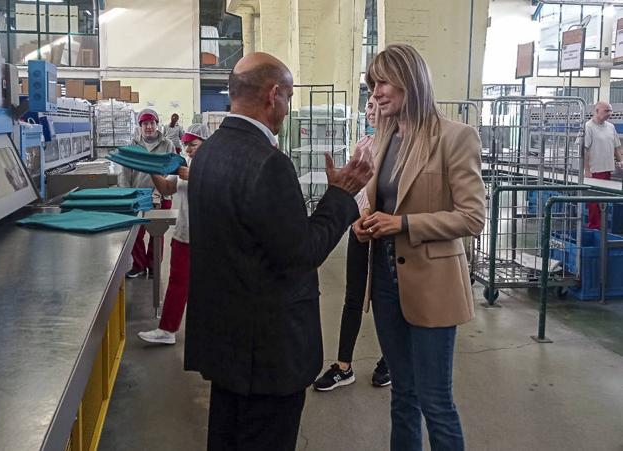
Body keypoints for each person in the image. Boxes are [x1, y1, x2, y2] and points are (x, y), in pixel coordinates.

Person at [185, 52, 373, 451]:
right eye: (288, 97)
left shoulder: (209, 152)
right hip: (266, 352)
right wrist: (341, 196)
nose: (287, 108)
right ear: (274, 95)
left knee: (227, 435)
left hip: (226, 342)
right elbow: (302, 252)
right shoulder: (268, 163)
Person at [357, 44, 485, 450]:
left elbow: (472, 217)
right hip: (384, 282)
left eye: (383, 81)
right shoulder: (382, 137)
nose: (375, 92)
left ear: (411, 80)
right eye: (371, 84)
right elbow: (374, 198)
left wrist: (404, 224)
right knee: (403, 396)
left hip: (433, 285)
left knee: (435, 401)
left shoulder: (456, 137)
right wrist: (363, 221)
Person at [313, 96, 390, 391]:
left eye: (378, 104)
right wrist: (354, 219)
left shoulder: (403, 148)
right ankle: (344, 366)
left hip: (389, 233)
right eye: (369, 105)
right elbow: (356, 190)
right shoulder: (363, 145)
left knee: (386, 299)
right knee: (353, 297)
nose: (371, 110)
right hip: (360, 228)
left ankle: (390, 358)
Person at [137, 124, 211, 345]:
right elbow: (167, 189)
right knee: (177, 282)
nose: (188, 149)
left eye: (193, 145)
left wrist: (194, 175)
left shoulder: (212, 167)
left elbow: (218, 188)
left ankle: (211, 332)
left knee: (209, 286)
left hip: (206, 236)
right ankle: (167, 329)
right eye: (186, 144)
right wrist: (151, 170)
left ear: (206, 144)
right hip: (184, 233)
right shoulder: (185, 165)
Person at [120, 108, 176, 278]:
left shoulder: (167, 145)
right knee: (135, 233)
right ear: (140, 126)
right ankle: (138, 265)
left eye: (152, 123)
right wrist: (126, 195)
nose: (149, 127)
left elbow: (173, 169)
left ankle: (153, 265)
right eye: (145, 124)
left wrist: (163, 189)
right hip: (138, 195)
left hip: (161, 195)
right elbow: (125, 172)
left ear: (157, 124)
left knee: (157, 233)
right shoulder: (132, 146)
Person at [583, 101, 622, 229]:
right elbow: (584, 150)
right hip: (595, 171)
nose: (609, 114)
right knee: (594, 202)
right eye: (606, 111)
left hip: (607, 170)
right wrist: (587, 170)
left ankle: (601, 226)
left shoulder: (610, 127)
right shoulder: (588, 127)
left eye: (610, 111)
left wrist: (621, 160)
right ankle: (594, 226)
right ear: (596, 111)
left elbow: (617, 147)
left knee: (603, 200)